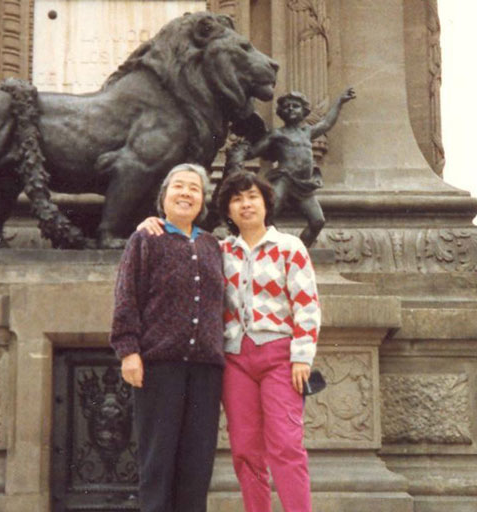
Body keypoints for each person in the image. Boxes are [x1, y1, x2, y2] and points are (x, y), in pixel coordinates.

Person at [138, 170, 321, 512]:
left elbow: (307, 304)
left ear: (266, 203)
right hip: (236, 359)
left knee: (285, 445)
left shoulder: (289, 248)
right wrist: (149, 223)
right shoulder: (219, 250)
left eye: (252, 197)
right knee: (245, 451)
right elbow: (183, 246)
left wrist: (302, 356)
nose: (245, 204)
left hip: (281, 357)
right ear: (228, 210)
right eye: (236, 199)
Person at [109, 163, 225, 512]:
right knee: (157, 462)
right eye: (179, 186)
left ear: (202, 201)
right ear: (164, 197)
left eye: (194, 188)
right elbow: (126, 295)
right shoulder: (146, 238)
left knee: (197, 465)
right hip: (160, 365)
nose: (186, 193)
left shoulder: (212, 246)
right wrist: (128, 350)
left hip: (206, 368)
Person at [227, 88, 355, 247]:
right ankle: (271, 245)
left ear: (304, 111)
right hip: (284, 180)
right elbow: (255, 151)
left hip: (304, 185)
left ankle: (298, 250)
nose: (290, 109)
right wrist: (240, 152)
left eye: (295, 106)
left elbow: (327, 122)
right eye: (287, 106)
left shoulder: (307, 132)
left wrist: (340, 101)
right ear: (280, 112)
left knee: (317, 221)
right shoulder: (277, 134)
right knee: (268, 215)